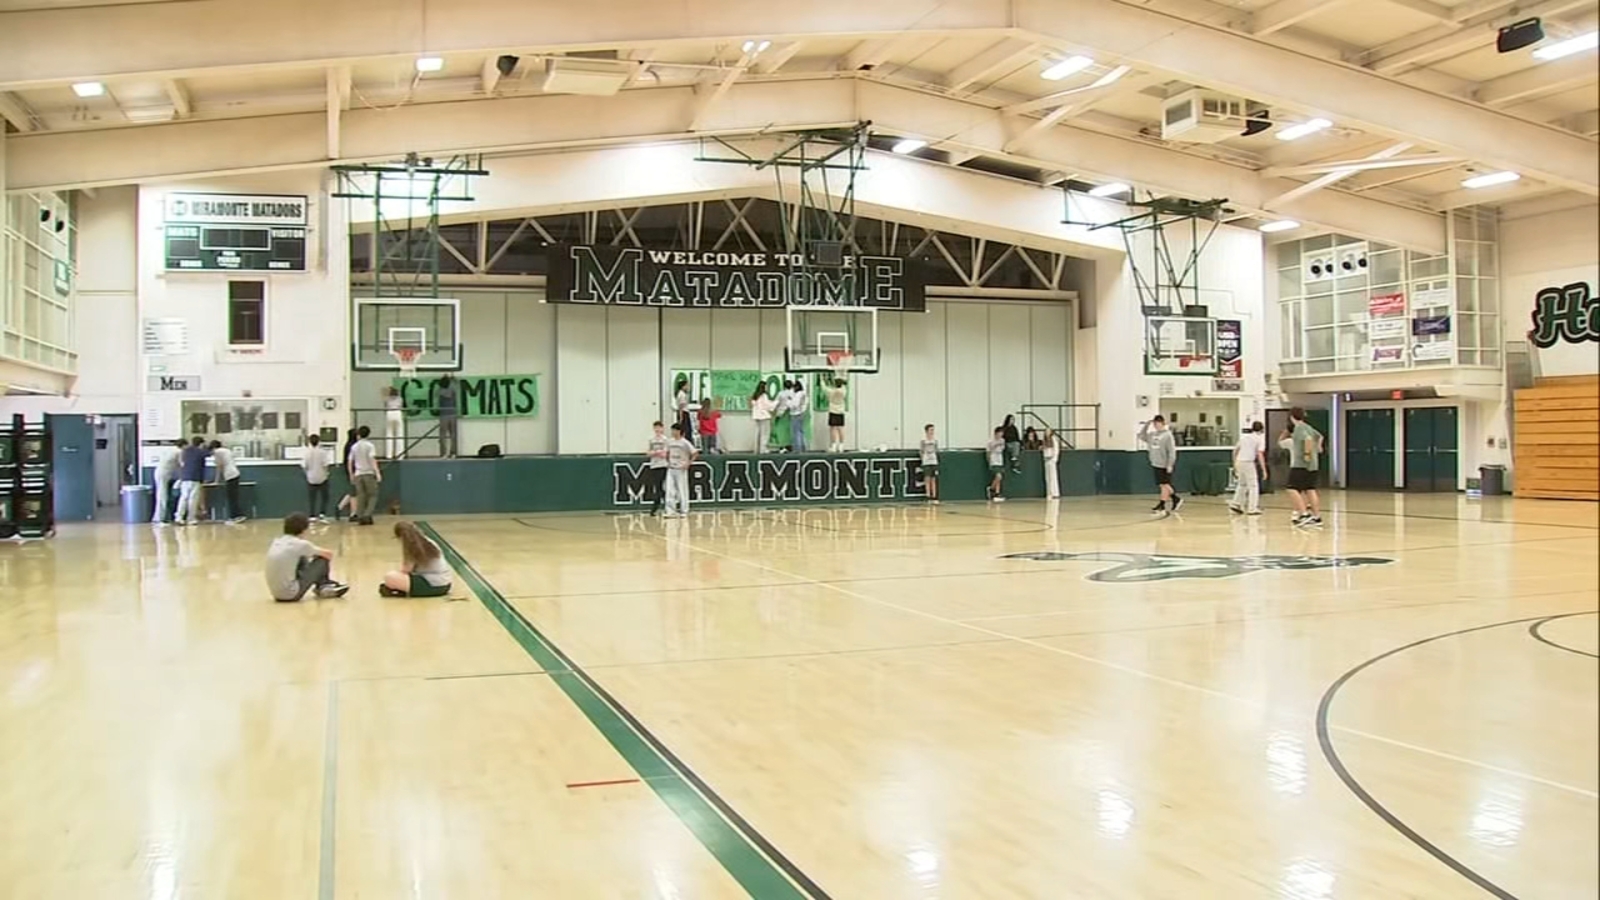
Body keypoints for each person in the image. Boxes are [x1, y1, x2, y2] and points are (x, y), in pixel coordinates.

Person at [265, 512, 349, 602]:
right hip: (292, 594)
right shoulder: (301, 544)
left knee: (302, 556)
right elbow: (328, 554)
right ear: (304, 529)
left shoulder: (277, 542)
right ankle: (324, 586)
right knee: (322, 560)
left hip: (276, 594)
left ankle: (323, 586)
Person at [380, 522, 454, 598]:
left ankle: (402, 590)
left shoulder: (411, 547)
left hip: (432, 583)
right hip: (445, 584)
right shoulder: (428, 541)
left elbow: (406, 570)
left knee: (390, 577)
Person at [1286, 407, 1325, 527]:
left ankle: (1304, 514)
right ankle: (1317, 517)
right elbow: (1320, 436)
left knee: (1292, 488)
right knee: (1310, 489)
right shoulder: (1309, 427)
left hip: (1301, 464)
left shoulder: (1299, 428)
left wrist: (1307, 455)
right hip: (1314, 464)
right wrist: (1318, 448)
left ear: (1292, 416)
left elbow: (1307, 440)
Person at [1139, 415, 1182, 515]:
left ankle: (1162, 504)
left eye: (1157, 423)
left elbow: (1171, 451)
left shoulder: (1168, 435)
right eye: (1154, 424)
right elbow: (1141, 436)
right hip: (1155, 462)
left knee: (1164, 485)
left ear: (1162, 423)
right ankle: (1175, 499)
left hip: (1164, 463)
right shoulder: (1152, 434)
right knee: (1163, 484)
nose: (1156, 425)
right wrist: (1146, 425)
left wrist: (1170, 464)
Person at [1229, 421, 1267, 516]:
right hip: (1248, 462)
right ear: (1262, 429)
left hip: (1239, 461)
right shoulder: (1259, 439)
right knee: (1253, 486)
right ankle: (1252, 508)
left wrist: (1234, 464)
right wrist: (1264, 469)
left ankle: (1236, 503)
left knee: (1242, 484)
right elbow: (1260, 454)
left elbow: (1235, 451)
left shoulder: (1245, 438)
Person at [663, 422, 697, 517]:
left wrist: (688, 463)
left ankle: (684, 510)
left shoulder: (685, 442)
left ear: (679, 431)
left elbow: (695, 453)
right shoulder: (669, 441)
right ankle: (670, 510)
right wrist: (667, 461)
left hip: (681, 468)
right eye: (672, 430)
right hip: (671, 468)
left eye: (674, 430)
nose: (673, 432)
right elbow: (667, 452)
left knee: (682, 489)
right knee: (669, 490)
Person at [349, 425, 381, 526]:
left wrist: (351, 474)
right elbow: (372, 460)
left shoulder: (354, 446)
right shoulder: (370, 446)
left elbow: (350, 461)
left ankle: (360, 515)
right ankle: (367, 515)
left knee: (361, 496)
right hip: (368, 473)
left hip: (358, 473)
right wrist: (377, 472)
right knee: (373, 495)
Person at [175, 436, 211, 526]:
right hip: (195, 478)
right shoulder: (199, 451)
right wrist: (206, 447)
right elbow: (209, 453)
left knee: (183, 498)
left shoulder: (185, 451)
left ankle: (179, 517)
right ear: (201, 443)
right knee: (193, 499)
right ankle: (191, 518)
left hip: (185, 477)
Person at [209, 440, 246, 523]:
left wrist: (216, 481)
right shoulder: (227, 450)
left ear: (213, 448)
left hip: (230, 475)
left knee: (231, 497)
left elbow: (219, 467)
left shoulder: (217, 452)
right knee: (234, 497)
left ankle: (237, 516)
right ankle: (236, 515)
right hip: (235, 473)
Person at [151, 438, 183, 525]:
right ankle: (159, 519)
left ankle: (160, 517)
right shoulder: (179, 452)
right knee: (162, 496)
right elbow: (182, 465)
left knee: (162, 495)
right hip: (164, 474)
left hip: (160, 473)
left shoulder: (170, 450)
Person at [303, 434, 332, 521]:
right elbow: (326, 465)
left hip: (311, 478)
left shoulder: (307, 453)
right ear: (319, 441)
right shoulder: (323, 452)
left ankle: (312, 515)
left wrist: (307, 475)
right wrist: (327, 473)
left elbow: (304, 466)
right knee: (325, 496)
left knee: (312, 498)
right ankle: (322, 513)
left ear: (310, 442)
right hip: (322, 477)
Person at [646, 420, 670, 516]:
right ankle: (663, 505)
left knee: (661, 486)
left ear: (662, 428)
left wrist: (656, 452)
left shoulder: (665, 440)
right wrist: (655, 453)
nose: (657, 429)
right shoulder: (651, 439)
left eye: (659, 427)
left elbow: (665, 453)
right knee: (658, 486)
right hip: (654, 465)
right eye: (656, 428)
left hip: (663, 465)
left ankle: (657, 506)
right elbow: (648, 452)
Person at [337, 426, 360, 520]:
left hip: (351, 471)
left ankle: (340, 507)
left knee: (353, 492)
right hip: (354, 471)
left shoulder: (348, 445)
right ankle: (353, 513)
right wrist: (352, 473)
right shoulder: (352, 447)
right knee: (354, 493)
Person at [750, 381, 777, 453]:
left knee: (758, 433)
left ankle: (757, 449)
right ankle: (763, 449)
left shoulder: (755, 396)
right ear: (764, 387)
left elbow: (753, 405)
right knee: (765, 434)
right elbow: (768, 406)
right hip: (764, 416)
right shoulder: (764, 396)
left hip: (757, 417)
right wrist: (776, 402)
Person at [436, 374, 459, 458]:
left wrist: (447, 379)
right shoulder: (452, 389)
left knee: (442, 435)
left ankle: (443, 453)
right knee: (453, 435)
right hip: (453, 414)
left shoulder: (439, 391)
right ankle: (453, 453)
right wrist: (452, 379)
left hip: (444, 415)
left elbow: (439, 393)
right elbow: (457, 384)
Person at [919, 423, 940, 504]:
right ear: (927, 431)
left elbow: (936, 451)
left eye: (933, 430)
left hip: (933, 461)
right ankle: (928, 496)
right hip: (926, 461)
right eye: (931, 430)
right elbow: (921, 451)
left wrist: (936, 460)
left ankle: (935, 496)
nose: (932, 431)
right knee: (927, 478)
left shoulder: (935, 441)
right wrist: (923, 459)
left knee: (933, 479)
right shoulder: (923, 441)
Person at [825, 378, 848, 452]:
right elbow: (844, 383)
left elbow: (824, 388)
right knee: (841, 428)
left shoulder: (831, 391)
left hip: (833, 411)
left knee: (833, 429)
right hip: (840, 411)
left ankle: (833, 445)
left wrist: (823, 380)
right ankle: (841, 445)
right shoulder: (844, 391)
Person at [383, 386, 405, 459]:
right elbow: (401, 406)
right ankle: (399, 454)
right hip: (398, 412)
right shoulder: (400, 399)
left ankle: (388, 455)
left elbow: (385, 407)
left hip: (389, 413)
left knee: (389, 434)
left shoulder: (386, 399)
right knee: (399, 434)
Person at [986, 426, 1007, 502]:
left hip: (1000, 460)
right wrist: (989, 462)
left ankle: (997, 493)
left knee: (999, 478)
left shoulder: (1002, 440)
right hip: (993, 460)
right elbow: (988, 452)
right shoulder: (990, 441)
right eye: (1000, 433)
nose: (1001, 435)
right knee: (998, 476)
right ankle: (991, 488)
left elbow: (1002, 449)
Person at [774, 380, 796, 451]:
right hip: (791, 414)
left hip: (781, 414)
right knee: (789, 430)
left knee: (780, 430)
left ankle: (782, 446)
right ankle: (789, 446)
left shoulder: (780, 393)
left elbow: (776, 403)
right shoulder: (794, 394)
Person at [788, 377, 809, 452]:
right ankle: (803, 448)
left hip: (795, 414)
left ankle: (797, 449)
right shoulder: (804, 394)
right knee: (801, 431)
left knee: (796, 432)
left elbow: (794, 405)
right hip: (802, 413)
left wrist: (789, 402)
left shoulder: (798, 394)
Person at [1042, 429, 1061, 499]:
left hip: (1052, 460)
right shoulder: (1044, 440)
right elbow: (1044, 450)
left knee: (1053, 477)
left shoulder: (1053, 439)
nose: (1047, 433)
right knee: (1047, 478)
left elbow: (1056, 449)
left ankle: (1055, 493)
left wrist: (1055, 459)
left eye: (1048, 431)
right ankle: (1049, 493)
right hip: (1046, 460)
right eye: (1046, 431)